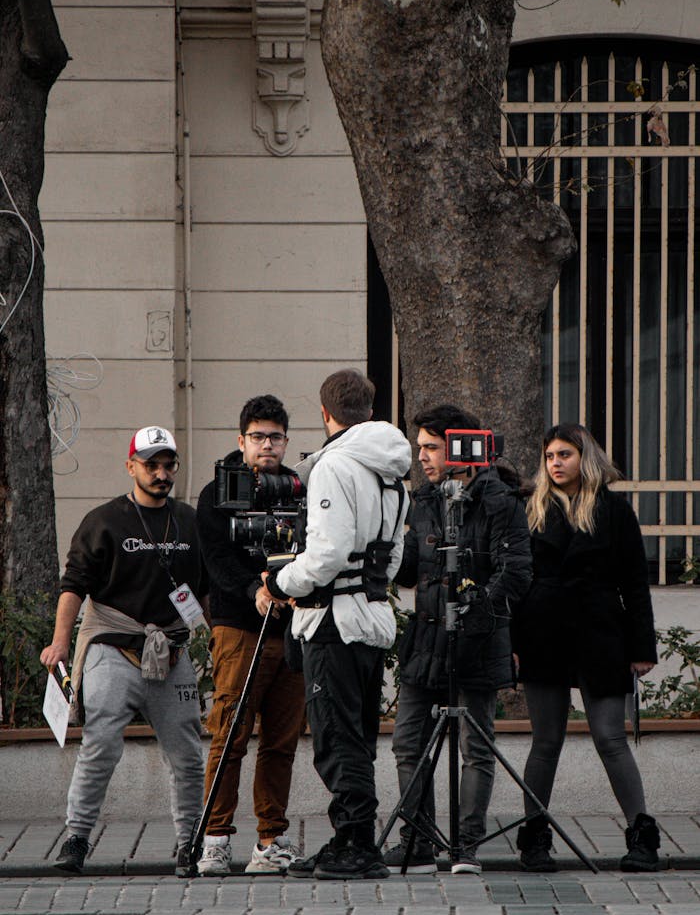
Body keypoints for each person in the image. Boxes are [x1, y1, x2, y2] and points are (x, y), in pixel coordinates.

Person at [40, 427, 208, 877]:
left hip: (171, 651)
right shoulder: (103, 521)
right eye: (151, 465)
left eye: (168, 465)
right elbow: (73, 586)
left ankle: (189, 843)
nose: (161, 473)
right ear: (130, 466)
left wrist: (219, 641)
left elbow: (205, 591)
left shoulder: (189, 521)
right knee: (100, 747)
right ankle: (76, 839)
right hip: (113, 649)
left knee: (188, 755)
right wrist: (59, 642)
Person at [263, 369, 411, 880]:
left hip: (333, 622)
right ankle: (352, 837)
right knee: (358, 736)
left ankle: (356, 843)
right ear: (369, 410)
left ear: (325, 413)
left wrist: (281, 580)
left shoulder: (334, 465)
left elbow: (326, 554)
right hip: (370, 615)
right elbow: (392, 556)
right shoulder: (391, 471)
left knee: (335, 737)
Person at [384, 405, 532, 876]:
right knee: (408, 743)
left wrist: (476, 610)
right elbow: (410, 571)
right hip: (427, 639)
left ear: (462, 448)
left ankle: (467, 845)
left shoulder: (499, 500)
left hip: (477, 639)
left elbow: (517, 571)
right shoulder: (425, 500)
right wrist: (385, 539)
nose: (421, 457)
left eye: (431, 447)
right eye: (419, 448)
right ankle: (419, 841)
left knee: (476, 746)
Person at [511, 423, 660, 872]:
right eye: (550, 456)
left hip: (601, 631)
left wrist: (642, 647)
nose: (555, 463)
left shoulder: (614, 510)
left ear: (584, 457)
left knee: (610, 737)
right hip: (543, 631)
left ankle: (642, 839)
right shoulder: (531, 508)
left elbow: (635, 583)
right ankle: (535, 839)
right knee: (545, 741)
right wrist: (512, 643)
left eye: (565, 455)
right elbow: (515, 581)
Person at [195, 395, 306, 876]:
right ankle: (215, 840)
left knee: (281, 741)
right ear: (241, 440)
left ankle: (270, 841)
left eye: (275, 437)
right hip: (239, 627)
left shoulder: (299, 489)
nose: (267, 445)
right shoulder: (216, 493)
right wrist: (253, 589)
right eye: (258, 436)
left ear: (286, 441)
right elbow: (216, 562)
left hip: (292, 628)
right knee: (230, 734)